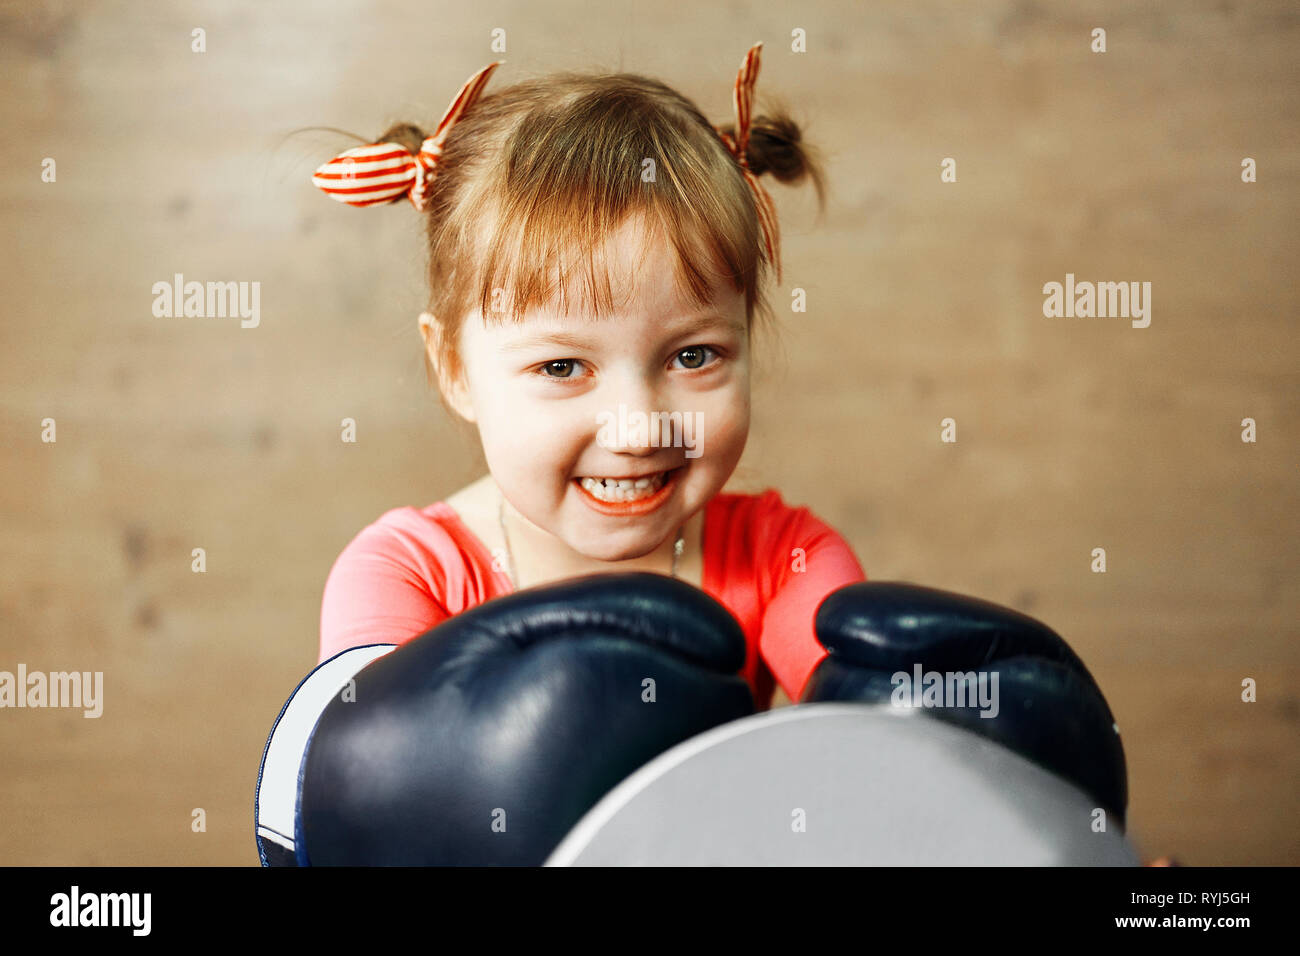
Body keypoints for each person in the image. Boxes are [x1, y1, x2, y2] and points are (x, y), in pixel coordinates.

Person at [309, 43, 865, 711]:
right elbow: (352, 783)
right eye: (562, 366)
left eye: (693, 356)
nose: (635, 428)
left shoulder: (781, 560)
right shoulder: (405, 574)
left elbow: (871, 755)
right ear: (454, 368)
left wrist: (931, 718)